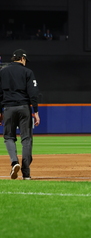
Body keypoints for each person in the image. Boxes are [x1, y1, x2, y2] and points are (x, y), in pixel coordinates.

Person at [0, 49, 40, 180]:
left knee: (9, 137)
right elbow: (33, 93)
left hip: (8, 108)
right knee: (26, 139)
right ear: (22, 58)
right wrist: (36, 112)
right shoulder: (27, 72)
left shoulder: (3, 72)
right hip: (24, 108)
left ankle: (14, 162)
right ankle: (26, 173)